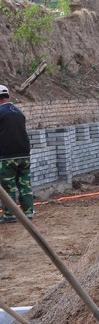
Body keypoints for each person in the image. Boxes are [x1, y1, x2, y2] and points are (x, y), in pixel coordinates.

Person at [0, 85, 33, 223]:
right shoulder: (19, 112)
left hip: (7, 156)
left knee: (8, 186)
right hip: (24, 155)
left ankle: (9, 215)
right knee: (25, 184)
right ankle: (29, 212)